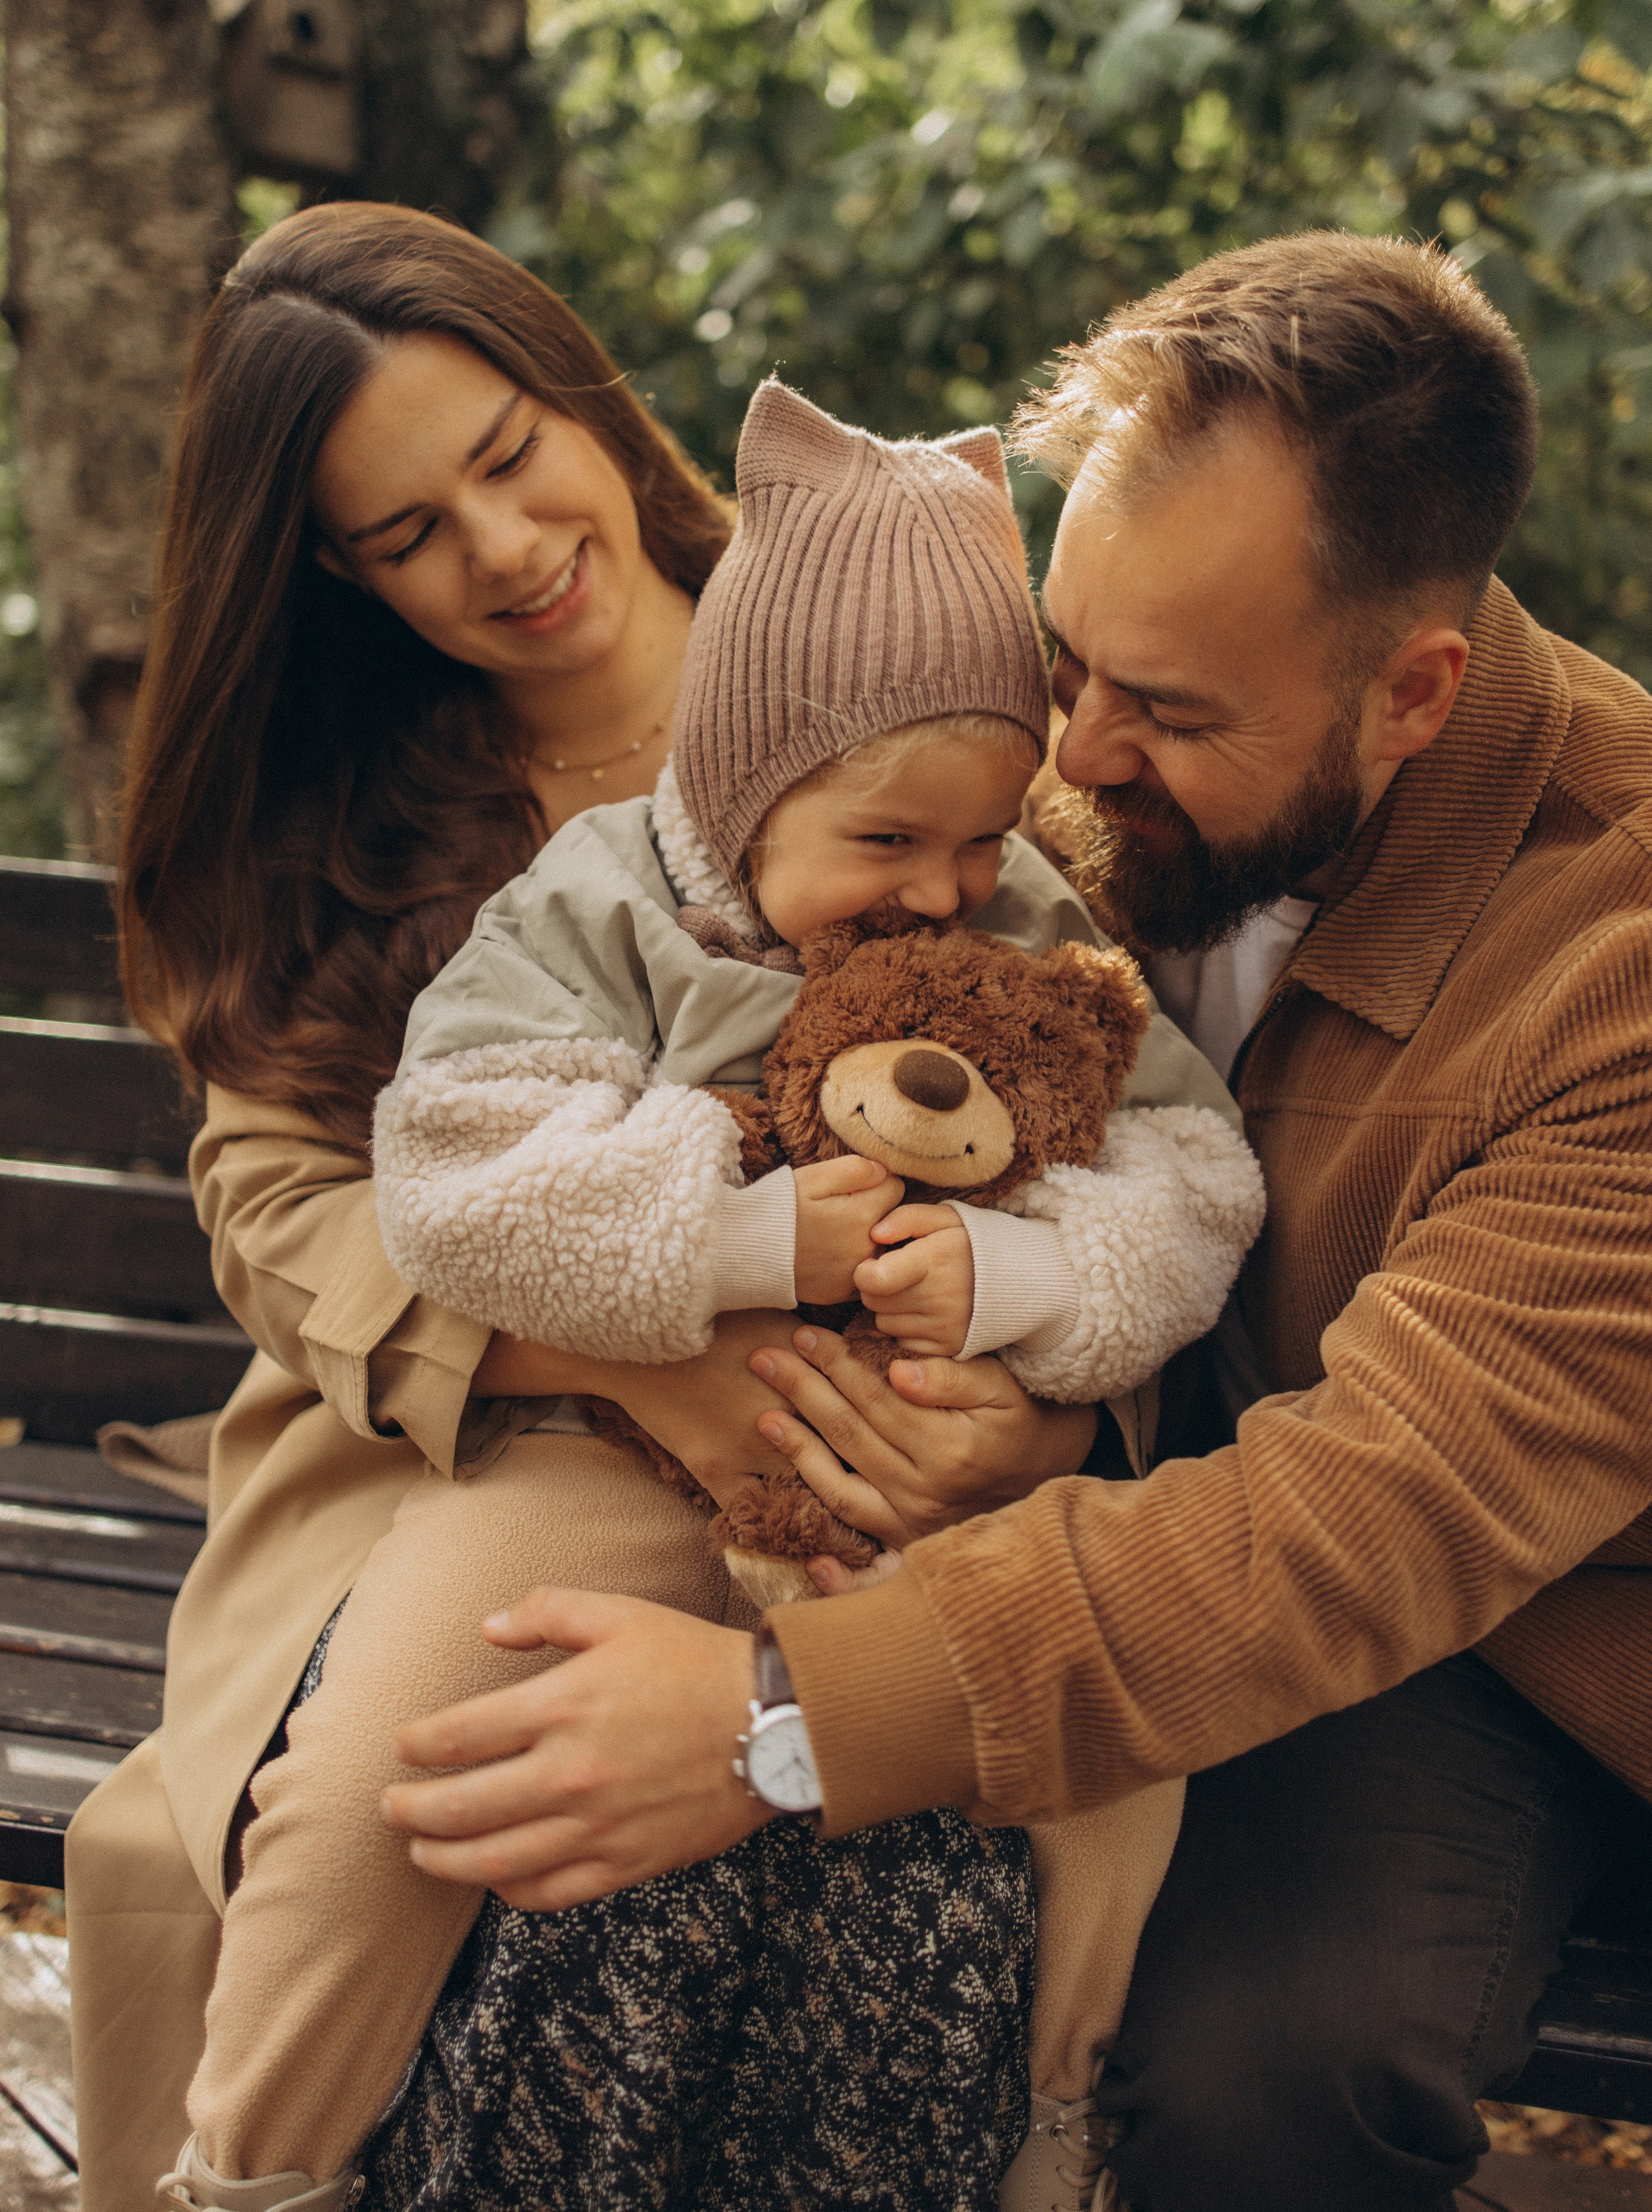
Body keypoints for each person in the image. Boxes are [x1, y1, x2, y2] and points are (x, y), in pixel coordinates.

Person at [378, 232, 1652, 2212]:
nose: (1069, 762)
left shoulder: (1621, 965)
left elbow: (1370, 1519)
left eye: (1156, 706)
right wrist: (1038, 1402)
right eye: (1065, 662)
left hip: (1545, 1635)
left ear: (1415, 694)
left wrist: (780, 1727)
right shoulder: (1049, 814)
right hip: (1150, 1549)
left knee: (1255, 2076)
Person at [68, 201, 1182, 2212]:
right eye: (404, 533)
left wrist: (1035, 1405)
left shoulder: (894, 654)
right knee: (429, 1794)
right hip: (486, 1444)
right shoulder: (347, 811)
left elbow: (1119, 1116)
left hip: (922, 1440)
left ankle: (1050, 2152)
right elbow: (274, 1194)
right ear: (326, 569)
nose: (494, 548)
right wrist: (623, 1349)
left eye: (504, 456)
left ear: (578, 396)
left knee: (958, 1799)